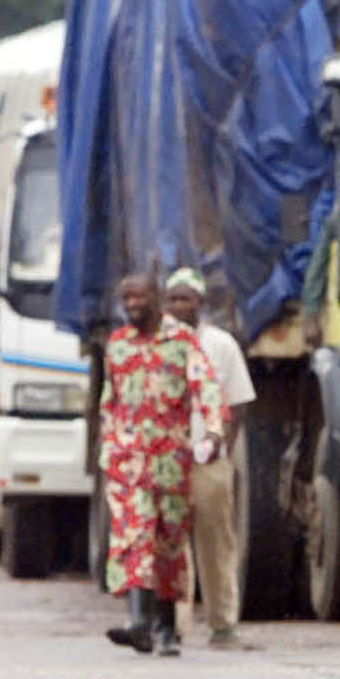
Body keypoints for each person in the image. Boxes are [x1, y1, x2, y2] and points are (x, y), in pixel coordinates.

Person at [99, 272, 225, 657]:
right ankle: (138, 623)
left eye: (139, 298)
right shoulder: (118, 346)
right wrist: (106, 446)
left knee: (168, 545)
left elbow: (207, 388)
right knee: (134, 537)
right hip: (127, 463)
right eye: (127, 300)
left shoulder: (182, 342)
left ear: (155, 297)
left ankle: (166, 629)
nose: (133, 306)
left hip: (170, 462)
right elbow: (110, 401)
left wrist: (214, 433)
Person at [163, 267, 258, 649]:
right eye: (173, 298)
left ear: (200, 303)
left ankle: (223, 623)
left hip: (209, 461)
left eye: (186, 298)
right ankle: (176, 624)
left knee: (217, 542)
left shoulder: (220, 345)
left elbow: (238, 402)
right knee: (171, 544)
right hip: (168, 459)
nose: (178, 306)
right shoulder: (159, 343)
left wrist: (221, 446)